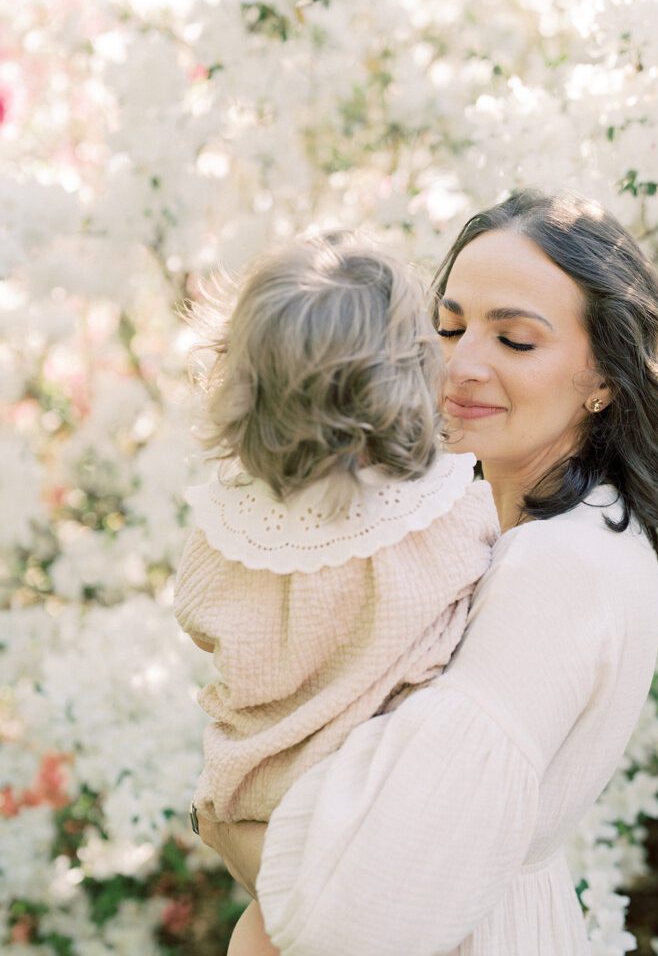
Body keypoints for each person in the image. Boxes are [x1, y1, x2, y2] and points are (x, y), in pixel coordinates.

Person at [196, 189, 658, 956]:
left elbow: (374, 910)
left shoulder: (559, 566)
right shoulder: (479, 530)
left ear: (604, 378)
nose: (462, 365)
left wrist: (238, 835)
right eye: (449, 326)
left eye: (517, 341)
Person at [174, 234, 499, 954]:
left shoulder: (228, 529)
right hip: (370, 819)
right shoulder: (445, 513)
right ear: (411, 376)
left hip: (259, 805)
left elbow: (200, 616)